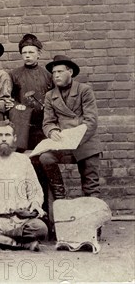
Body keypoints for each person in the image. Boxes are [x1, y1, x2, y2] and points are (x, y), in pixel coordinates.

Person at [0, 121, 47, 251]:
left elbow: (35, 191)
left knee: (41, 229)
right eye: (0, 135)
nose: (4, 138)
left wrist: (34, 205)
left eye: (7, 135)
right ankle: (22, 244)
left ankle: (0, 240)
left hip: (20, 220)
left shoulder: (24, 161)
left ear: (14, 138)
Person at [39, 55, 101, 199]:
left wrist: (74, 138)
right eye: (54, 73)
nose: (56, 76)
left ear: (70, 72)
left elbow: (91, 121)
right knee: (45, 158)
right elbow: (48, 122)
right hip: (63, 144)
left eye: (60, 72)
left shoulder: (84, 90)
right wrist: (52, 131)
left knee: (91, 182)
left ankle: (93, 209)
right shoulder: (50, 96)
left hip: (85, 141)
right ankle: (59, 194)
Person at [9, 34, 53, 150]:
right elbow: (10, 98)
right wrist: (17, 106)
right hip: (22, 123)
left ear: (39, 54)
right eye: (24, 53)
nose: (27, 56)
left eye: (31, 52)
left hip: (43, 123)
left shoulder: (48, 75)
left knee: (41, 155)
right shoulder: (14, 74)